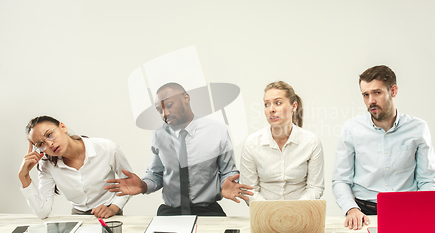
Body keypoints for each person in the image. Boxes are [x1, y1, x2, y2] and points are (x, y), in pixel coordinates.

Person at [105, 82, 253, 216]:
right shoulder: (159, 135)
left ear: (186, 98)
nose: (164, 114)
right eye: (159, 110)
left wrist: (227, 183)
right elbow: (156, 174)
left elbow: (228, 171)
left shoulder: (217, 131)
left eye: (168, 105)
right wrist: (143, 186)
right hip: (171, 211)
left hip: (207, 210)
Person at [332, 65, 435, 230]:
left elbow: (427, 180)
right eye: (366, 95)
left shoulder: (418, 128)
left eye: (377, 93)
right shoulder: (351, 129)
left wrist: (424, 210)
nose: (371, 101)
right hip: (363, 213)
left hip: (408, 210)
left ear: (394, 91)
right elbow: (340, 180)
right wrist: (351, 209)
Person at [19, 116, 133, 219]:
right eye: (40, 144)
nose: (49, 144)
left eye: (49, 135)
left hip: (110, 214)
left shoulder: (107, 148)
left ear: (62, 127)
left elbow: (131, 183)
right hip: (78, 217)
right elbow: (42, 212)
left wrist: (113, 208)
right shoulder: (47, 165)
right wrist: (24, 176)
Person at [240, 81, 324, 201]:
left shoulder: (311, 142)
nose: (271, 109)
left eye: (278, 103)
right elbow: (250, 190)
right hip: (264, 214)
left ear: (293, 106)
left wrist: (295, 209)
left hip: (300, 213)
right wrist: (271, 211)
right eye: (266, 104)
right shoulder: (252, 143)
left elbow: (315, 187)